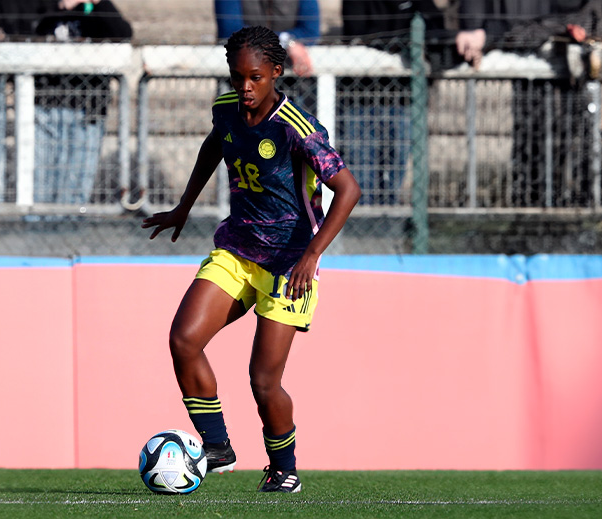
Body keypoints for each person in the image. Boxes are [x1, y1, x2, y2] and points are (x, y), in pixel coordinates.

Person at [141, 26, 361, 493]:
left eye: (255, 77)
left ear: (276, 74)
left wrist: (312, 254)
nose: (245, 87)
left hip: (288, 265)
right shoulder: (226, 111)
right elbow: (212, 147)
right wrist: (184, 205)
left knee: (263, 382)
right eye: (237, 76)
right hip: (237, 250)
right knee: (183, 339)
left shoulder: (297, 128)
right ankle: (217, 447)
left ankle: (284, 470)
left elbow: (348, 190)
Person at [455, 0, 602, 207]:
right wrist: (476, 28)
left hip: (569, 55)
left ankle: (575, 203)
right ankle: (531, 205)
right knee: (531, 136)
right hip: (526, 50)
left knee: (576, 137)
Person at [340, 0, 445, 205]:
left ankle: (389, 218)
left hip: (402, 97)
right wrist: (403, 39)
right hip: (360, 98)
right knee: (361, 166)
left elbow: (434, 24)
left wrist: (403, 38)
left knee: (397, 164)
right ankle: (362, 224)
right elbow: (359, 33)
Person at [32, 0, 132, 204]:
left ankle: (70, 228)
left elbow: (123, 33)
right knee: (41, 185)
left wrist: (95, 2)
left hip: (87, 109)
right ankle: (37, 227)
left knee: (75, 186)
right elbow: (25, 28)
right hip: (47, 105)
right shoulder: (45, 10)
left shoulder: (96, 11)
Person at [214, 0, 319, 77]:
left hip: (292, 79)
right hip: (242, 77)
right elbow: (230, 31)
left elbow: (311, 32)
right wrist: (286, 41)